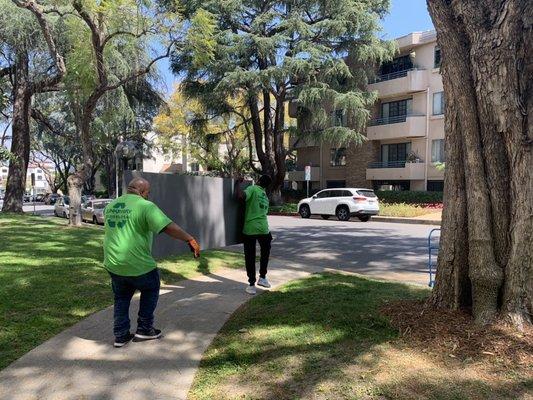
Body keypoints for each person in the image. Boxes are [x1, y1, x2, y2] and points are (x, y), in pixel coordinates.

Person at [104, 177, 201, 348]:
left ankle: (120, 335)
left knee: (121, 297)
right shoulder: (145, 206)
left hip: (113, 263)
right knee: (151, 287)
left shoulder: (111, 205)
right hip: (137, 263)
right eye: (147, 193)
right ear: (142, 192)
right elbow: (167, 226)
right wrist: (189, 239)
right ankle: (145, 329)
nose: (148, 196)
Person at [235, 174, 273, 295]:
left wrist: (237, 183)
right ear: (266, 186)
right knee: (265, 252)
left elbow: (240, 196)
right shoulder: (265, 196)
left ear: (258, 180)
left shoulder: (252, 189)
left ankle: (251, 284)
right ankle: (262, 277)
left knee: (250, 256)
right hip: (264, 229)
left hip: (250, 228)